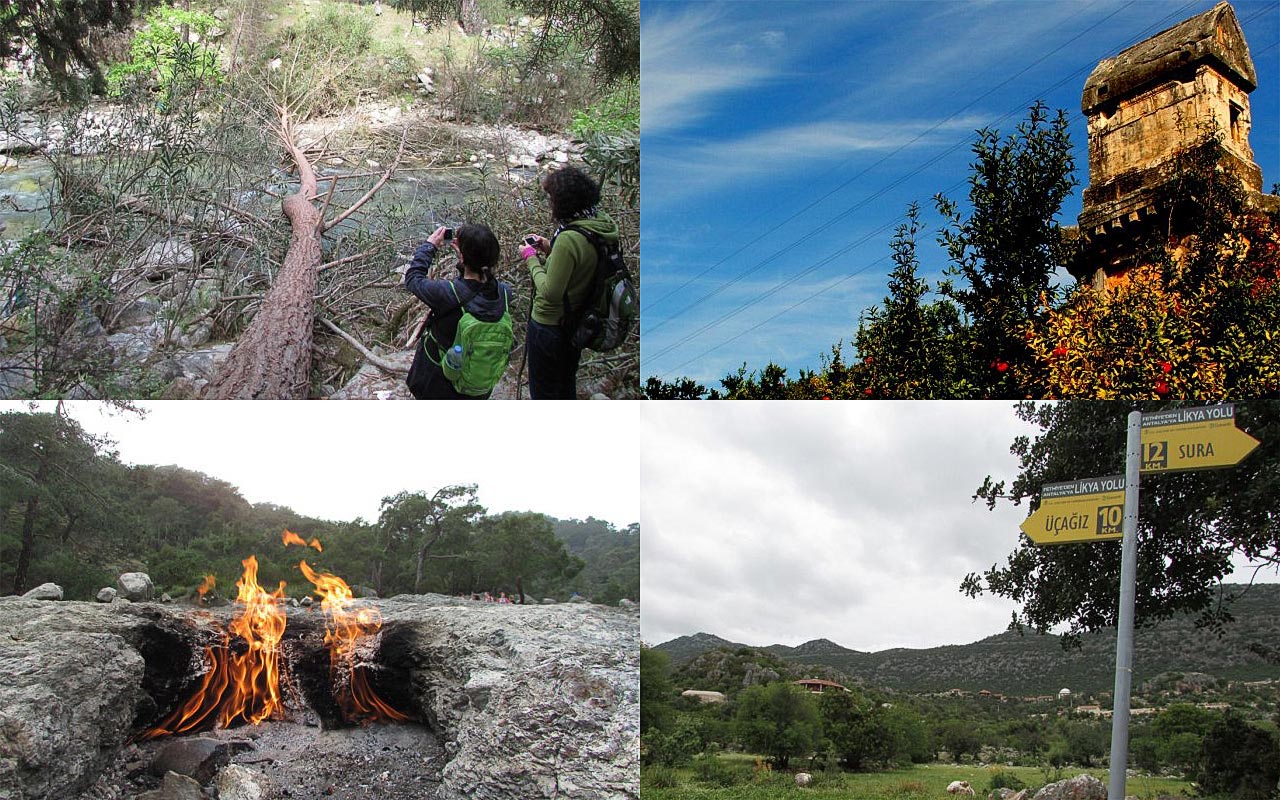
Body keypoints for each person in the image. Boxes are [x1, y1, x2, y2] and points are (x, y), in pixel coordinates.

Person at [519, 166, 620, 399]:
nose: (550, 204)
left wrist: (530, 258)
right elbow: (581, 264)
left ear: (564, 202)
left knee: (544, 392)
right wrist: (549, 248)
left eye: (551, 199)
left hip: (550, 325)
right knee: (565, 384)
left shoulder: (568, 238)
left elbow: (550, 292)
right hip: (577, 321)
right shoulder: (600, 226)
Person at [403, 223, 513, 399]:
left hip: (439, 381)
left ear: (462, 256)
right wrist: (467, 260)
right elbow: (480, 284)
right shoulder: (505, 294)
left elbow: (413, 279)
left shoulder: (448, 294)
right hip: (478, 385)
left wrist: (429, 246)